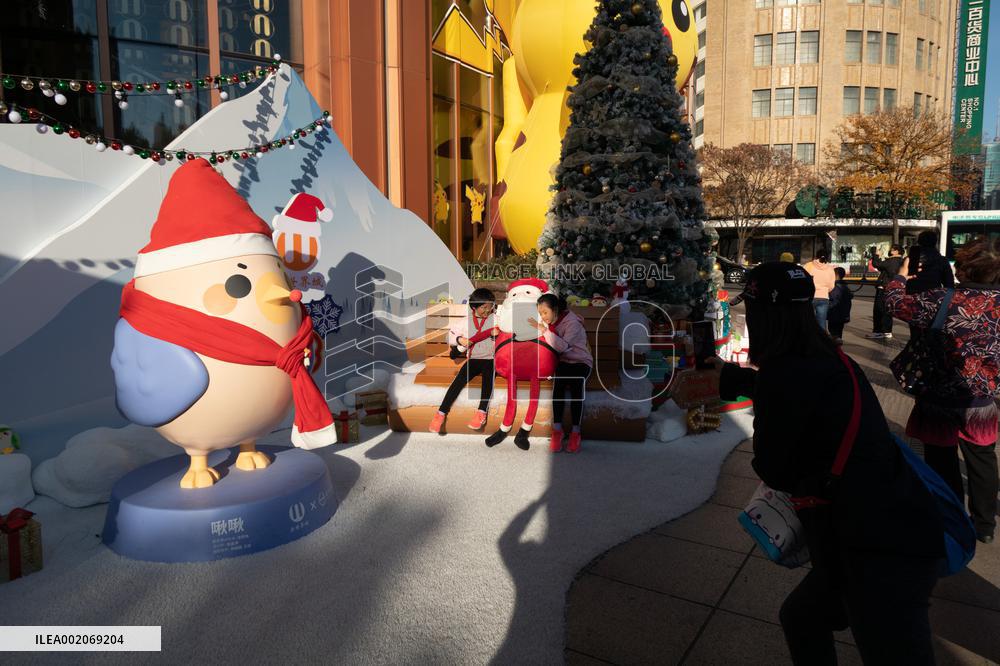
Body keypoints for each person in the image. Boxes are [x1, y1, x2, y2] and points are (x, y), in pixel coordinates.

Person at [715, 262, 944, 665]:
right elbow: (819, 400)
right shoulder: (833, 356)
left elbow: (775, 468)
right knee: (802, 618)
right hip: (893, 517)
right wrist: (749, 380)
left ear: (763, 314)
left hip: (876, 545)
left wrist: (761, 394)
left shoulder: (783, 373)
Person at [885, 235, 1000, 544]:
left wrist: (900, 274)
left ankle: (952, 518)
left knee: (941, 459)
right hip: (981, 400)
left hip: (938, 395)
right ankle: (985, 524)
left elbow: (893, 302)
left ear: (961, 271)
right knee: (982, 460)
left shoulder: (940, 299)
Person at [429, 288, 498, 437]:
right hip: (473, 359)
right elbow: (449, 337)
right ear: (474, 307)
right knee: (458, 381)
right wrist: (460, 339)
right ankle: (440, 412)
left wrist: (497, 336)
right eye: (484, 307)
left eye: (490, 306)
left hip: (491, 359)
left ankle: (481, 412)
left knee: (488, 379)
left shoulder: (496, 319)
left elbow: (507, 334)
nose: (488, 310)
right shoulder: (465, 322)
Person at [530, 294, 593, 454]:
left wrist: (544, 330)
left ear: (555, 310)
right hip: (563, 362)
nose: (542, 317)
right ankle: (557, 430)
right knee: (557, 387)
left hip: (581, 361)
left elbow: (563, 346)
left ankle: (576, 432)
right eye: (540, 313)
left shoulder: (572, 323)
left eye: (545, 312)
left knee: (576, 387)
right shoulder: (550, 322)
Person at [867, 244, 904, 339]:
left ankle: (879, 331)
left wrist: (876, 255)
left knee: (879, 310)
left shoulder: (892, 261)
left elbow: (877, 264)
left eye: (892, 249)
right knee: (887, 310)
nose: (891, 250)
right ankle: (887, 331)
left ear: (896, 251)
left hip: (884, 288)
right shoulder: (900, 261)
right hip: (893, 288)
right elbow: (882, 267)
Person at [804, 248, 836, 331]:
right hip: (824, 297)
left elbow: (804, 280)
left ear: (816, 256)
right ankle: (822, 341)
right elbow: (831, 285)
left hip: (810, 296)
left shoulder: (808, 265)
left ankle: (809, 340)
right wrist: (824, 290)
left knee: (808, 321)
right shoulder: (830, 268)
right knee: (821, 322)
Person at [827, 267, 852, 344]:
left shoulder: (835, 287)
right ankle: (838, 343)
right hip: (843, 314)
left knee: (833, 332)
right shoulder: (846, 287)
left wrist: (827, 308)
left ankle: (835, 346)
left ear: (836, 275)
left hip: (834, 314)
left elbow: (834, 301)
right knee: (839, 331)